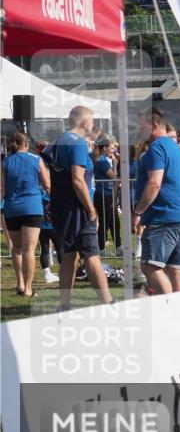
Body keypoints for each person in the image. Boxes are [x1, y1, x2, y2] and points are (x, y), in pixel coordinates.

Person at [45, 106, 113, 309]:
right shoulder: (78, 144)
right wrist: (91, 210)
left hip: (62, 206)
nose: (92, 125)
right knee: (92, 255)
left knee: (69, 255)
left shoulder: (57, 142)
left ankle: (64, 304)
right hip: (77, 208)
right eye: (91, 121)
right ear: (84, 122)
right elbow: (78, 179)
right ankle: (108, 302)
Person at [132, 108, 180, 295]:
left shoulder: (156, 148)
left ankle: (170, 310)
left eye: (142, 126)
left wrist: (138, 211)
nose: (139, 130)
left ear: (153, 126)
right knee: (175, 269)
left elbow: (154, 183)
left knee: (150, 266)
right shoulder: (175, 148)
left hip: (165, 216)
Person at [2, 132, 50, 297]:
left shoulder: (5, 162)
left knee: (16, 248)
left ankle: (20, 283)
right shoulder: (37, 160)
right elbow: (46, 184)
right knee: (29, 249)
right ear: (27, 143)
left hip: (12, 208)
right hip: (32, 208)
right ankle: (28, 287)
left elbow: (2, 189)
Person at [93, 136, 121, 255]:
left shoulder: (105, 160)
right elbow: (113, 177)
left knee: (114, 221)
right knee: (105, 222)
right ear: (104, 148)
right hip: (103, 195)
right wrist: (115, 164)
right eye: (111, 148)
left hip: (108, 194)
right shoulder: (102, 161)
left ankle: (119, 247)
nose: (113, 151)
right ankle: (101, 248)